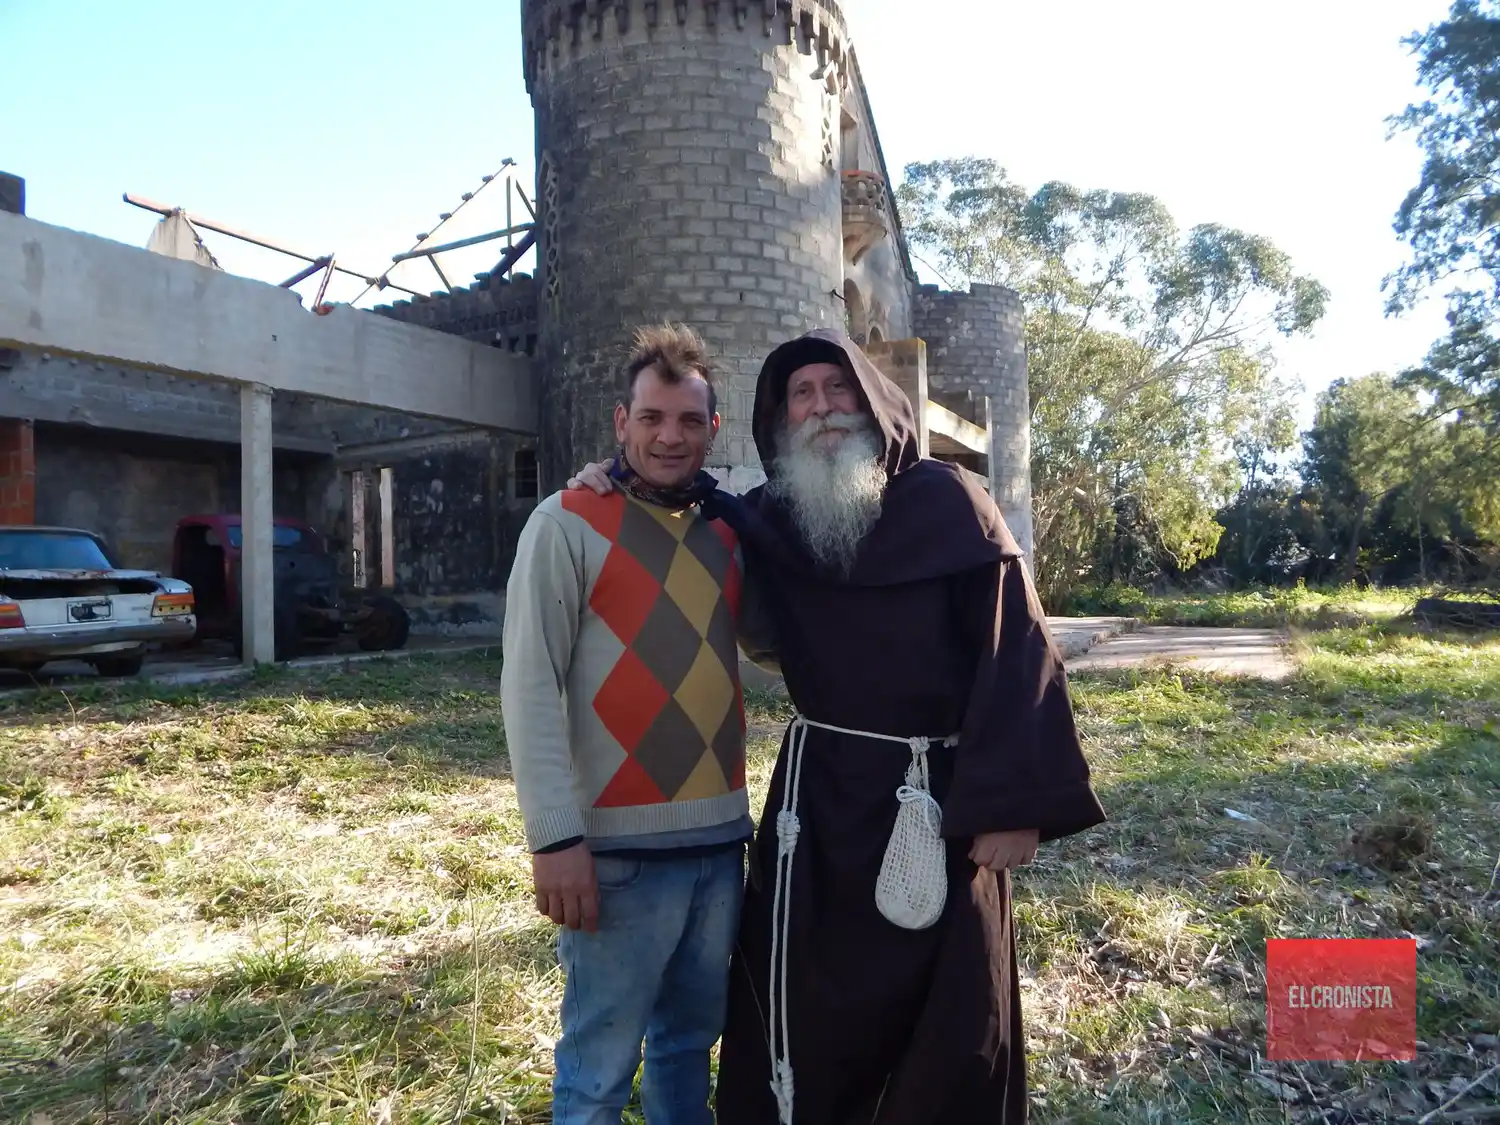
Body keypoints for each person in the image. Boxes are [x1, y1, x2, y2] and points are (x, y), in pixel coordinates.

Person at [567, 327, 1107, 1125]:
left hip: (938, 799)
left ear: (873, 399)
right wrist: (606, 477)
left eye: (837, 387)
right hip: (816, 808)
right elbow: (674, 496)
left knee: (949, 1012)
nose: (821, 407)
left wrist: (1014, 804)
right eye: (802, 395)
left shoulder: (953, 504)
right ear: (780, 418)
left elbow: (1018, 651)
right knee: (807, 1006)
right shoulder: (775, 516)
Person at [500, 323, 755, 1125]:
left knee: (689, 1049)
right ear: (621, 422)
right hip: (614, 858)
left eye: (688, 420)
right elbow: (529, 684)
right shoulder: (566, 522)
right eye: (651, 418)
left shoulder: (730, 531)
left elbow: (778, 644)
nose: (669, 436)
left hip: (720, 847)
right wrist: (553, 839)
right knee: (597, 1074)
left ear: (714, 429)